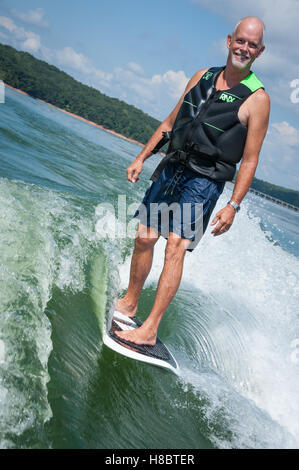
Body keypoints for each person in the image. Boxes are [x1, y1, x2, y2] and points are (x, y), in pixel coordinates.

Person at [114, 16, 270, 346]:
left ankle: (150, 328)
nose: (244, 48)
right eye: (240, 40)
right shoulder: (202, 76)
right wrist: (142, 157)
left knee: (175, 246)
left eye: (252, 45)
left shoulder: (257, 99)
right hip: (173, 167)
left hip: (204, 181)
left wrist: (233, 205)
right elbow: (172, 122)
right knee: (144, 237)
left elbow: (250, 159)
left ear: (260, 51)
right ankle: (129, 302)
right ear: (230, 40)